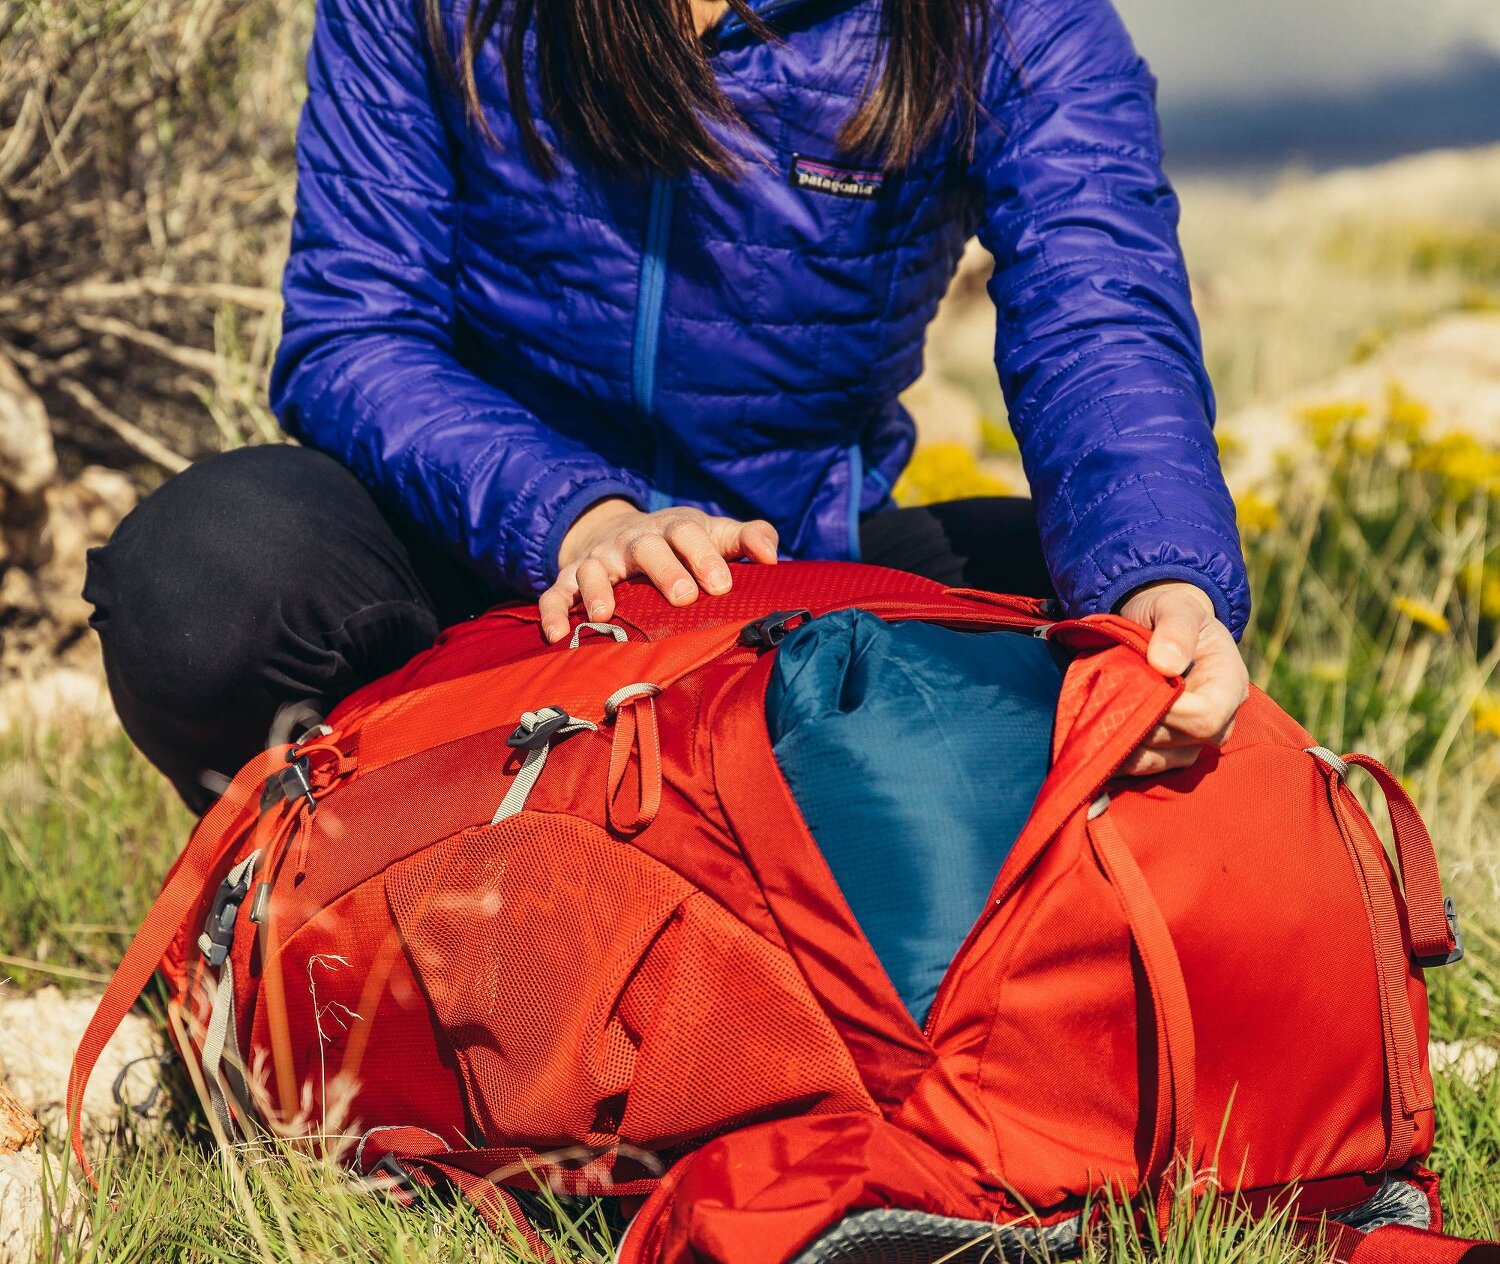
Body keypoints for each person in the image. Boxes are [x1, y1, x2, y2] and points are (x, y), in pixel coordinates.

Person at [85, 0, 1250, 813]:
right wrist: (581, 517)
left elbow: (1098, 315)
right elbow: (355, 332)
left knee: (1113, 640)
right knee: (205, 579)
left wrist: (1160, 587)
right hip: (477, 566)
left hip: (789, 579)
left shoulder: (1015, 21)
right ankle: (320, 897)